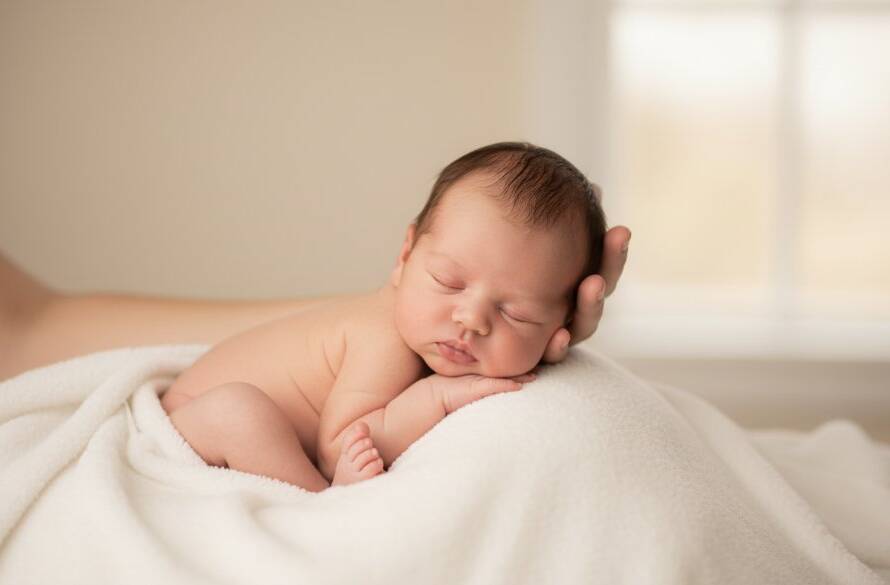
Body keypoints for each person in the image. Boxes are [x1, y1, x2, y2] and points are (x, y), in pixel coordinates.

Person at [0, 142, 631, 493]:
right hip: (193, 424)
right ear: (405, 255)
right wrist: (440, 398)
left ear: (558, 330)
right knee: (239, 409)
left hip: (214, 422)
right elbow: (343, 442)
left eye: (516, 313)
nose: (469, 319)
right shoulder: (384, 336)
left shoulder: (424, 322)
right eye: (447, 281)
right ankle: (315, 506)